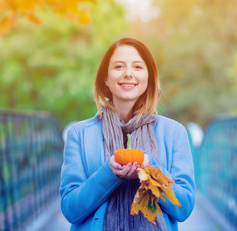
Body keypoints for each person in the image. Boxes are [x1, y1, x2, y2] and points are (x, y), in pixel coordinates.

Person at [59, 37, 196, 231]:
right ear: (105, 78)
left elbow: (184, 208)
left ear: (149, 77)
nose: (128, 74)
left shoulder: (174, 133)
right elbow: (70, 209)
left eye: (138, 67)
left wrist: (152, 171)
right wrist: (109, 173)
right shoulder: (79, 135)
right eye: (119, 67)